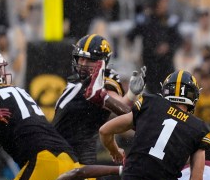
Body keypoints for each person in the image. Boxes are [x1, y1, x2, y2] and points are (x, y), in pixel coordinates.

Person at [53, 34, 144, 165]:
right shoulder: (78, 80)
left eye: (89, 60)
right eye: (81, 59)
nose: (83, 64)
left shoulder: (104, 79)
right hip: (62, 152)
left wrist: (131, 95)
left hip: (76, 157)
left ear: (102, 61)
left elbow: (119, 106)